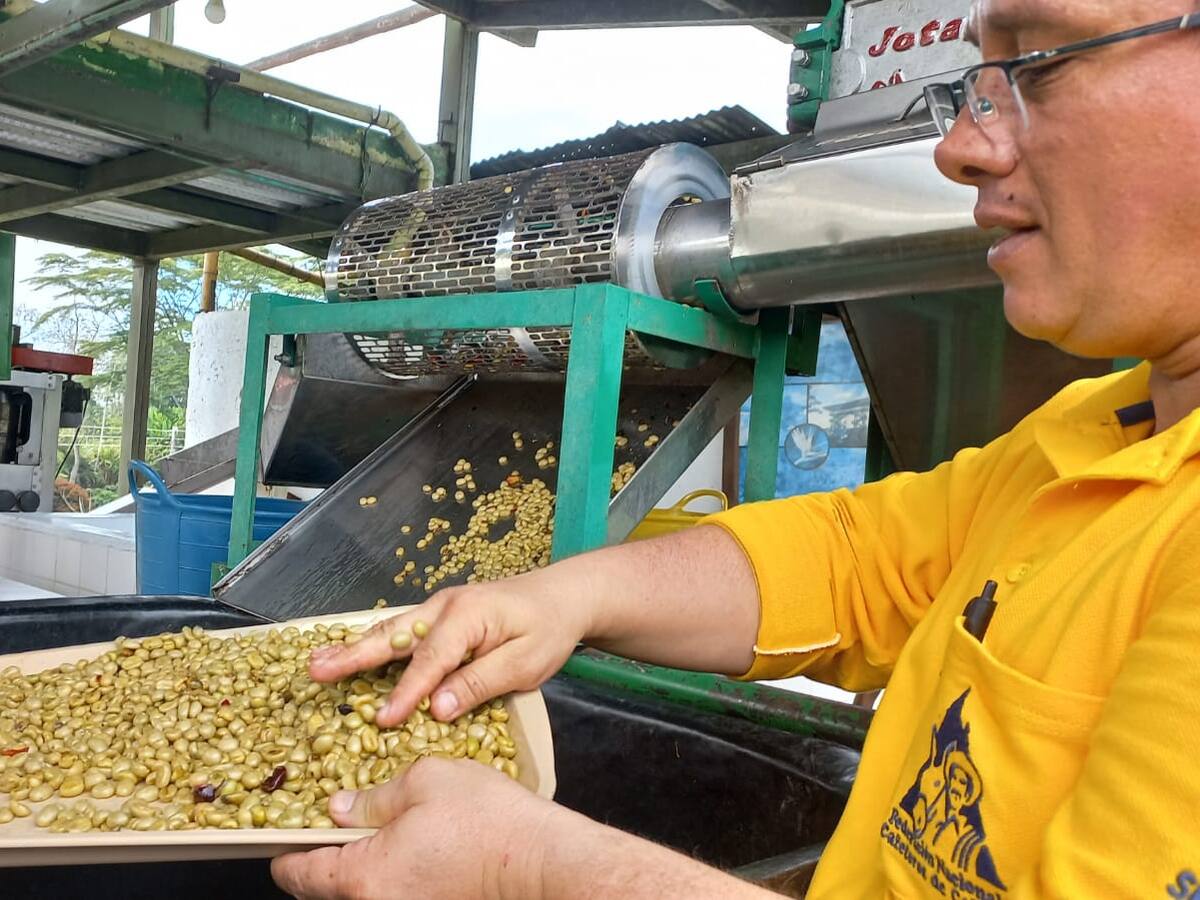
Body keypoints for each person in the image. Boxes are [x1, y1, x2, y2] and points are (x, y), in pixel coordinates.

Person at [272, 1, 1200, 896]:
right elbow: (854, 560)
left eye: (1040, 63)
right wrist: (563, 594)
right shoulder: (1098, 427)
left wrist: (528, 868)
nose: (961, 148)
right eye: (977, 84)